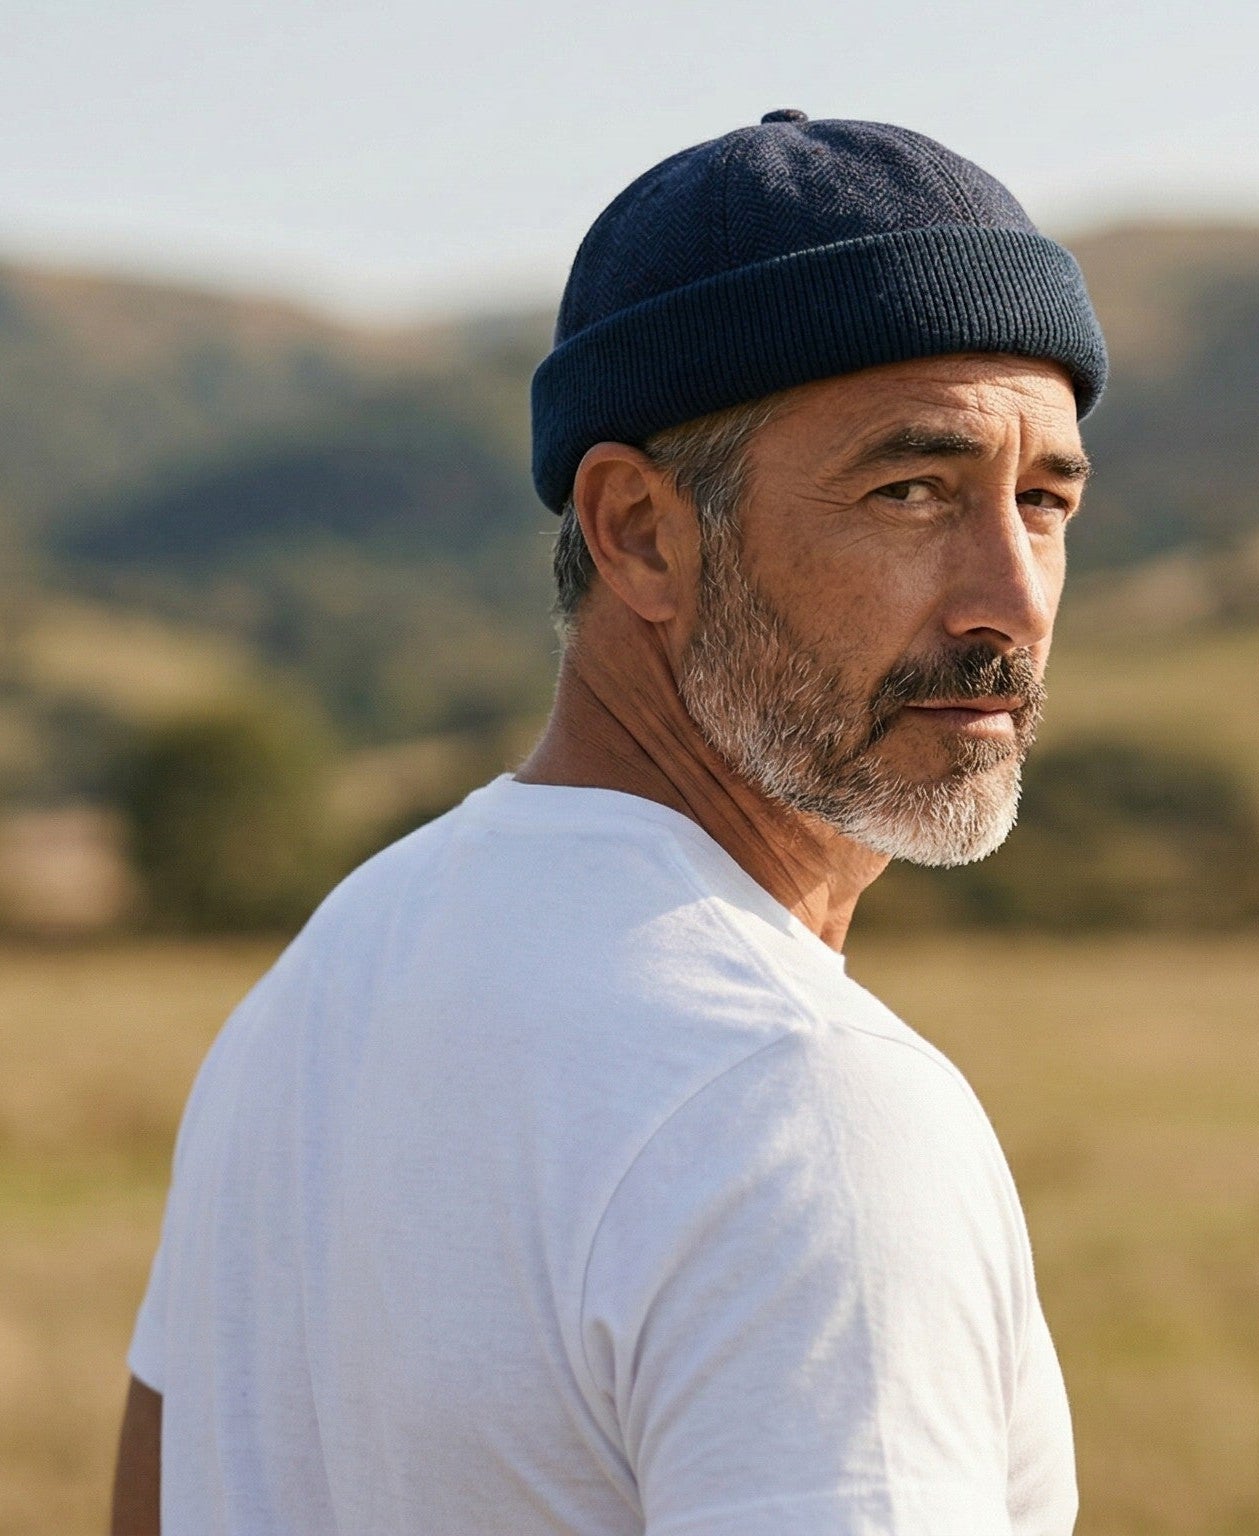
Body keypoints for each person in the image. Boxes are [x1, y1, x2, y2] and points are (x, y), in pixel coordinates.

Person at [111, 109, 1107, 1536]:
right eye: (912, 492)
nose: (1008, 598)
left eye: (1044, 498)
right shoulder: (801, 1107)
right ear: (639, 529)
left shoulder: (327, 978)